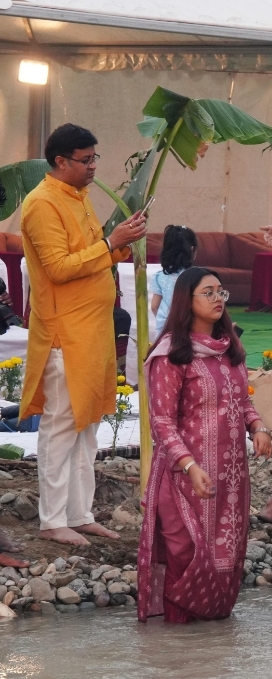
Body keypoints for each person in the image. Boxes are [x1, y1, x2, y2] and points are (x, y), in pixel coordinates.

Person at [20, 123, 147, 547]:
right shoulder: (42, 203)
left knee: (87, 425)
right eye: (85, 160)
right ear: (60, 161)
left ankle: (79, 513)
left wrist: (121, 243)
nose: (93, 166)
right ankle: (52, 519)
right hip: (65, 334)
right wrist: (111, 242)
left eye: (95, 158)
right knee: (61, 426)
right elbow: (59, 268)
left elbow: (91, 257)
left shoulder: (78, 196)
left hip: (92, 332)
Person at [138, 267, 272, 623]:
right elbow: (162, 421)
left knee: (225, 553)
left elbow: (242, 401)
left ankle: (213, 638)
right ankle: (178, 640)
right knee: (187, 553)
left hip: (230, 478)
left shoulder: (230, 348)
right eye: (208, 292)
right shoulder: (171, 354)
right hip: (184, 477)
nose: (218, 299)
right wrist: (190, 465)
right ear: (187, 300)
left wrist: (258, 426)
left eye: (220, 292)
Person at [150, 224, 197, 334]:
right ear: (192, 249)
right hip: (189, 326)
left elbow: (154, 306)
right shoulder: (196, 275)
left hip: (166, 327)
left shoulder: (159, 277)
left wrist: (164, 320)